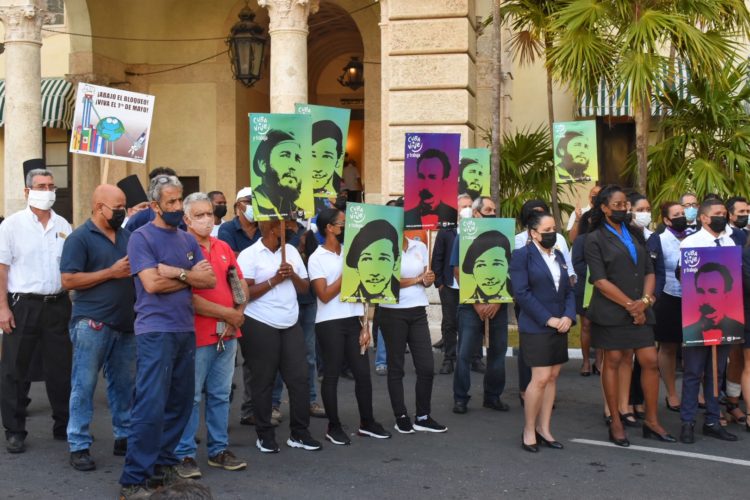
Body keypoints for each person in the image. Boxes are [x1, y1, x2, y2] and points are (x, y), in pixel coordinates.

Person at [119, 175, 217, 499]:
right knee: (150, 405)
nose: (177, 206)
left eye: (179, 200)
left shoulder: (187, 240)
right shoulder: (141, 237)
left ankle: (162, 467)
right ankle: (134, 480)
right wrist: (190, 277)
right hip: (155, 331)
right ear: (155, 205)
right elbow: (151, 284)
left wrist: (175, 272)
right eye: (171, 201)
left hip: (184, 330)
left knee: (180, 403)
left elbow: (209, 280)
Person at [585, 185, 675, 447]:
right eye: (617, 205)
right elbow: (599, 280)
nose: (623, 208)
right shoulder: (595, 239)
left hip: (640, 309)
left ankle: (652, 421)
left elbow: (649, 270)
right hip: (612, 311)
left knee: (650, 361)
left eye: (625, 204)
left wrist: (644, 303)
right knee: (613, 361)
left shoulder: (635, 233)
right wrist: (630, 306)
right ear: (604, 208)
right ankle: (615, 421)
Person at [60, 184, 135, 471]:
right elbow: (68, 280)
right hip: (92, 323)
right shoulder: (79, 238)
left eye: (124, 206)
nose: (122, 212)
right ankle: (78, 443)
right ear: (99, 207)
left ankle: (124, 435)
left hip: (126, 323)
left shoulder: (127, 236)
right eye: (117, 207)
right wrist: (111, 273)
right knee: (84, 384)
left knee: (124, 385)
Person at [173, 193, 248, 479]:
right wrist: (229, 314)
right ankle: (184, 454)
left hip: (227, 335)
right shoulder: (181, 249)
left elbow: (239, 282)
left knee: (220, 395)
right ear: (186, 219)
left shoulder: (223, 246)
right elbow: (187, 297)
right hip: (197, 335)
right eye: (200, 215)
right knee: (190, 397)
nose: (207, 220)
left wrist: (237, 312)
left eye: (209, 214)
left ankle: (219, 449)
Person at [0, 162, 73, 454]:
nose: (47, 191)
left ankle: (64, 425)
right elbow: (2, 269)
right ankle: (15, 430)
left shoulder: (63, 225)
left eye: (51, 186)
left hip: (57, 305)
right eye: (41, 186)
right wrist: (2, 308)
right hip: (23, 305)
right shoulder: (11, 225)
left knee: (61, 369)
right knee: (15, 370)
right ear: (27, 191)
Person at [237, 219, 322, 453]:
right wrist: (274, 279)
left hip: (290, 322)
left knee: (299, 379)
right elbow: (244, 294)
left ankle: (300, 433)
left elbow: (304, 288)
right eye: (288, 225)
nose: (293, 229)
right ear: (273, 228)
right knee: (263, 380)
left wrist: (291, 275)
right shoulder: (250, 255)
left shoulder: (291, 252)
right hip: (260, 322)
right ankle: (264, 435)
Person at [308, 208, 392, 444]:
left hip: (354, 320)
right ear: (329, 228)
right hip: (329, 322)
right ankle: (333, 426)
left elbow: (363, 290)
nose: (347, 227)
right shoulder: (316, 258)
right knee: (332, 374)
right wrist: (348, 274)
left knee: (363, 374)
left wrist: (365, 325)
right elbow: (324, 295)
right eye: (342, 224)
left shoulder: (350, 251)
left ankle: (367, 422)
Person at [510, 212, 576, 452]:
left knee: (552, 377)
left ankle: (544, 428)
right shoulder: (522, 256)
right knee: (539, 378)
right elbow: (521, 293)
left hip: (561, 324)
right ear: (533, 233)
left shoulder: (558, 255)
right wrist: (548, 319)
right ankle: (529, 430)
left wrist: (568, 315)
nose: (552, 234)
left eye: (554, 229)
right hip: (536, 325)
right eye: (546, 230)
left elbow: (569, 290)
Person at [678, 198, 740, 443]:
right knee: (693, 372)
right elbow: (683, 276)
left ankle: (713, 421)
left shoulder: (729, 241)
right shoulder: (691, 243)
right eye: (717, 213)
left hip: (724, 318)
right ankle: (687, 421)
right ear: (704, 218)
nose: (722, 217)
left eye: (724, 213)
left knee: (716, 372)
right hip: (695, 317)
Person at [378, 233, 447, 434]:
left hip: (418, 311)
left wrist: (428, 280)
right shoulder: (382, 246)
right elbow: (388, 280)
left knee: (426, 367)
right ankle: (400, 416)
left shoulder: (420, 246)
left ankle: (423, 416)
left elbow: (426, 281)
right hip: (391, 311)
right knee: (396, 367)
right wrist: (418, 279)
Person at [451, 197, 511, 414]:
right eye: (488, 209)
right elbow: (458, 271)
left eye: (494, 209)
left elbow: (510, 269)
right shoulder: (463, 237)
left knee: (498, 353)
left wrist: (496, 302)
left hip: (498, 306)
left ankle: (493, 396)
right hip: (470, 307)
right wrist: (476, 303)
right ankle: (460, 398)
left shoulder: (505, 236)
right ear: (476, 214)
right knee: (465, 354)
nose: (492, 213)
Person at [648, 202, 688, 413]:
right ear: (666, 220)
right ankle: (671, 393)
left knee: (694, 347)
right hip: (668, 296)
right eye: (676, 214)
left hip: (693, 298)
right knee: (668, 346)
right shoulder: (659, 240)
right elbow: (653, 270)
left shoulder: (692, 236)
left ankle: (697, 393)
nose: (682, 217)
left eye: (683, 213)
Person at [432, 194, 473, 374]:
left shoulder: (478, 229)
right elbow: (437, 257)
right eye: (464, 206)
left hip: (471, 286)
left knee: (471, 323)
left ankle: (474, 359)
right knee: (449, 323)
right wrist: (440, 284)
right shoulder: (446, 231)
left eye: (470, 206)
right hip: (449, 286)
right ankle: (449, 359)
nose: (467, 209)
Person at [252, 129, 304, 219]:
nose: (293, 166)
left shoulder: (298, 211)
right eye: (285, 155)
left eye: (297, 159)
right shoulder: (252, 206)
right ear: (263, 164)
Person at [344, 219, 401, 302]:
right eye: (366, 259)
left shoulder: (400, 297)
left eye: (383, 259)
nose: (374, 273)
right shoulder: (350, 300)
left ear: (396, 263)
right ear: (356, 265)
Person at [404, 148, 458, 229]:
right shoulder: (407, 218)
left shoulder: (454, 216)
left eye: (432, 177)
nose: (426, 186)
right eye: (421, 177)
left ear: (444, 182)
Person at [124, 167, 185, 231]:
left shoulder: (184, 220)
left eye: (180, 200)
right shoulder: (138, 221)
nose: (178, 207)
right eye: (171, 202)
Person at [218, 188, 260, 256]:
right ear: (238, 205)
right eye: (249, 202)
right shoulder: (227, 228)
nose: (253, 205)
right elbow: (230, 255)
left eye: (256, 202)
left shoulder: (265, 228)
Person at [311, 120, 344, 198]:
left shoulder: (342, 189)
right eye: (312, 155)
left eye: (326, 156)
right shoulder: (291, 187)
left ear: (338, 160)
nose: (318, 169)